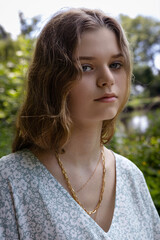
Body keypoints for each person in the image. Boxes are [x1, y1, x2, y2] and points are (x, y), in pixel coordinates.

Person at [0, 8, 160, 240]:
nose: (107, 79)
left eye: (115, 64)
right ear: (52, 78)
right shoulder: (10, 180)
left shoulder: (130, 176)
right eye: (86, 67)